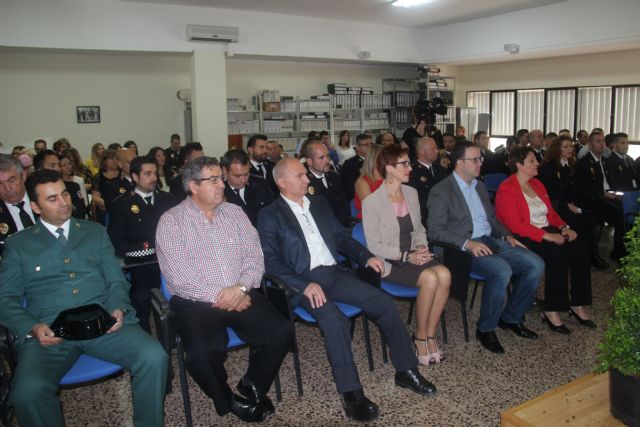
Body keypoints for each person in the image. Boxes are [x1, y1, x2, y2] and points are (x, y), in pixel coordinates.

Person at [257, 158, 436, 422]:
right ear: (282, 182)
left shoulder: (317, 203)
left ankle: (406, 370)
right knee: (333, 318)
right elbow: (270, 260)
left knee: (383, 302)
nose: (308, 179)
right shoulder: (269, 215)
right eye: (300, 176)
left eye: (306, 175)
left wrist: (365, 257)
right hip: (301, 282)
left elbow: (341, 237)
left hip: (333, 274)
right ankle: (351, 392)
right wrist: (304, 284)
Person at [0, 169, 168, 427]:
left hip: (103, 323)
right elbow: (6, 299)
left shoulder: (94, 232)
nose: (64, 202)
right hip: (50, 333)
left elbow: (115, 280)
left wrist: (118, 307)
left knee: (154, 356)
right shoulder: (19, 245)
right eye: (52, 199)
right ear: (35, 206)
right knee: (27, 391)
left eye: (65, 194)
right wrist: (32, 327)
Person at [156, 156, 292, 423]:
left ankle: (252, 384)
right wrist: (223, 295)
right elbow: (179, 277)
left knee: (281, 332)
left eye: (221, 178)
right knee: (201, 354)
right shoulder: (171, 222)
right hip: (194, 301)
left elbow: (255, 257)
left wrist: (241, 288)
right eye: (214, 179)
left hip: (240, 291)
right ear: (193, 186)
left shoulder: (234, 213)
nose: (222, 184)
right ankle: (227, 400)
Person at [428, 141, 544, 354]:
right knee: (501, 270)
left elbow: (492, 219)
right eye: (475, 159)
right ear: (460, 163)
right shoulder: (441, 190)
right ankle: (486, 328)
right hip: (459, 248)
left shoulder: (479, 186)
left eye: (480, 158)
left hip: (490, 240)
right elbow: (435, 231)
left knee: (535, 264)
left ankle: (511, 317)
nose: (481, 163)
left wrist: (507, 235)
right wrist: (467, 243)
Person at [363, 145, 451, 364]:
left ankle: (429, 334)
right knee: (431, 278)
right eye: (404, 164)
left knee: (446, 275)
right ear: (389, 168)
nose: (409, 168)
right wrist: (405, 256)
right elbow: (374, 246)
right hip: (392, 261)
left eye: (408, 163)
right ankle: (420, 338)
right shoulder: (372, 202)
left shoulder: (411, 193)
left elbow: (419, 229)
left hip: (414, 254)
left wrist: (421, 246)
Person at [495, 147, 595, 334]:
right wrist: (546, 236)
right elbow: (515, 225)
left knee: (580, 250)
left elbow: (551, 213)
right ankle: (551, 309)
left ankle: (578, 304)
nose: (537, 163)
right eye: (532, 161)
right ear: (519, 165)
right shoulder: (507, 188)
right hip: (524, 236)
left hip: (547, 230)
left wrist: (564, 227)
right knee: (557, 254)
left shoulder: (538, 185)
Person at [108, 156, 178, 332]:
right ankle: (145, 332)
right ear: (135, 176)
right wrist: (139, 251)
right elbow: (116, 240)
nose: (154, 178)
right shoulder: (122, 204)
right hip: (142, 263)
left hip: (171, 260)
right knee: (140, 297)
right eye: (147, 174)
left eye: (155, 173)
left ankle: (175, 333)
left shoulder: (169, 199)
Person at [538, 136, 605, 269]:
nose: (570, 149)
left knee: (590, 218)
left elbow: (575, 187)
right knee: (579, 221)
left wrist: (573, 202)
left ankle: (590, 255)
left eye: (571, 146)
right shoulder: (549, 166)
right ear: (558, 149)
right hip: (556, 204)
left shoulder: (572, 164)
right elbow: (550, 191)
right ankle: (581, 257)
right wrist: (568, 204)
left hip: (571, 203)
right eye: (566, 147)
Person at [574, 130, 626, 260]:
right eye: (598, 141)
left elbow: (611, 182)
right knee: (618, 214)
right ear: (590, 145)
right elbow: (585, 188)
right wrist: (604, 194)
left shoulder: (605, 161)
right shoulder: (584, 163)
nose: (602, 144)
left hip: (607, 196)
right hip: (592, 198)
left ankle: (621, 248)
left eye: (603, 141)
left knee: (625, 207)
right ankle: (610, 253)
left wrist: (615, 193)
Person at [222, 149, 274, 226]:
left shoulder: (260, 185)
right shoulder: (219, 192)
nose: (243, 180)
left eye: (246, 174)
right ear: (225, 171)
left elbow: (273, 211)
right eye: (237, 176)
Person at [304, 141, 350, 226]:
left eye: (328, 156)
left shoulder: (335, 177)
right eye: (321, 158)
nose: (327, 160)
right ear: (310, 161)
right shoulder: (304, 182)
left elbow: (343, 205)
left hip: (339, 226)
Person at [33, 150, 86, 220]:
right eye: (52, 165)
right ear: (40, 169)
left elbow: (80, 213)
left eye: (58, 165)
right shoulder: (32, 192)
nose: (58, 169)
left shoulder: (73, 187)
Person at [0, 154, 36, 255]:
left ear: (23, 176)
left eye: (11, 180)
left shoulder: (42, 199)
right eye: (0, 183)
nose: (7, 189)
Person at [408, 137, 446, 221]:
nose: (437, 151)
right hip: (425, 218)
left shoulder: (440, 169)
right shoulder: (412, 173)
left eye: (437, 148)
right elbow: (417, 201)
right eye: (433, 149)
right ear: (421, 151)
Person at [91, 149, 128, 223]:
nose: (114, 161)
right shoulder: (99, 177)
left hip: (124, 210)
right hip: (106, 211)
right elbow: (95, 197)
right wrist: (110, 205)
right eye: (111, 159)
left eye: (116, 158)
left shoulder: (124, 175)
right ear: (104, 161)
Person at [353, 144, 383, 219]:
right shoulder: (362, 182)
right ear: (373, 161)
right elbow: (371, 210)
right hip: (369, 220)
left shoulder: (387, 178)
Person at [341, 133, 372, 200]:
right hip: (360, 198)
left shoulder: (376, 161)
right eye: (366, 145)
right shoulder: (350, 164)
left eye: (370, 144)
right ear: (357, 147)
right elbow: (350, 189)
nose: (369, 147)